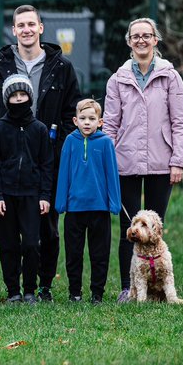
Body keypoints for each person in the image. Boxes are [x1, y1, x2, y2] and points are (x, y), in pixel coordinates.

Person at [0, 5, 79, 302]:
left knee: (46, 230)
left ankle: (43, 286)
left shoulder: (62, 67)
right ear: (13, 30)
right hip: (9, 164)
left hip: (47, 160)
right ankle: (14, 288)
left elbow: (71, 112)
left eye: (31, 24)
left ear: (41, 28)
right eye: (20, 25)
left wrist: (55, 145)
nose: (26, 30)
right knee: (9, 234)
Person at [103, 17, 183, 302]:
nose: (141, 40)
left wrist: (178, 160)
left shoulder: (170, 76)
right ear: (129, 42)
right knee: (129, 230)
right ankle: (129, 289)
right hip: (123, 163)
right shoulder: (117, 79)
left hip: (161, 162)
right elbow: (110, 125)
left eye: (146, 35)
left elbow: (180, 122)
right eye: (135, 36)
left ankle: (159, 287)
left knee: (153, 228)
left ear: (155, 40)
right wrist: (107, 163)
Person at [0, 74, 53, 304]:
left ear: (30, 97)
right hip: (5, 197)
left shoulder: (40, 129)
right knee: (9, 245)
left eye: (23, 94)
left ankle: (30, 290)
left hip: (32, 196)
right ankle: (13, 290)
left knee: (32, 244)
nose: (19, 99)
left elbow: (46, 164)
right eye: (14, 96)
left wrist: (44, 195)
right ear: (7, 100)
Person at [56, 99, 121, 304]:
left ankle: (97, 293)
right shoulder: (70, 141)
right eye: (83, 118)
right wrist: (60, 203)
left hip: (99, 208)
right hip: (75, 209)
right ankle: (75, 292)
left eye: (92, 119)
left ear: (100, 122)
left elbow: (112, 174)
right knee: (73, 254)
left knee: (99, 253)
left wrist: (115, 203)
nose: (87, 122)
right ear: (75, 120)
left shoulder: (105, 143)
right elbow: (63, 173)